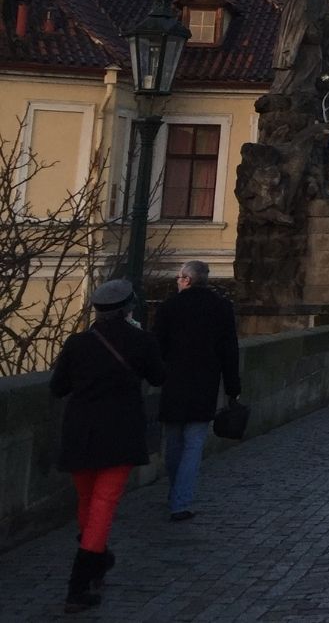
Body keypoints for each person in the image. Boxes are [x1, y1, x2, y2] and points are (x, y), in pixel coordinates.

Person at [50, 278, 165, 614]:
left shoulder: (77, 343)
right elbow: (159, 378)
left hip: (80, 433)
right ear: (128, 307)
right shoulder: (141, 341)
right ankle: (78, 583)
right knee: (103, 505)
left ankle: (97, 562)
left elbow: (58, 387)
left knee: (88, 501)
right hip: (119, 434)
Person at [152, 260, 242, 522]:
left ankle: (174, 493)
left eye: (179, 277)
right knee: (193, 445)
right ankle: (181, 502)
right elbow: (229, 351)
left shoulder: (169, 307)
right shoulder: (221, 307)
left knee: (174, 444)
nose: (177, 281)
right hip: (204, 384)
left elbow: (157, 347)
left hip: (174, 382)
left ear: (188, 280)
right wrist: (233, 387)